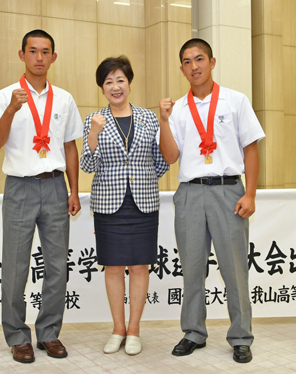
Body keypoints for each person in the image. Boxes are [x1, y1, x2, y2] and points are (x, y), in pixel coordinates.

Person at [158, 38, 265, 364]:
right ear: (181, 69)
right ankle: (193, 332)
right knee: (191, 269)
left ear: (212, 62)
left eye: (199, 59)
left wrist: (250, 193)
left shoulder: (235, 101)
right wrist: (163, 120)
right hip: (190, 192)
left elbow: (251, 149)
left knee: (234, 269)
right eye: (187, 62)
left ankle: (241, 337)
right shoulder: (177, 109)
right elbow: (171, 155)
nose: (194, 66)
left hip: (228, 191)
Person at [0, 29, 83, 364]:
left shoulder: (65, 99)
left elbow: (70, 147)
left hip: (56, 187)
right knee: (14, 266)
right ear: (21, 55)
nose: (39, 58)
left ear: (54, 57)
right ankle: (17, 336)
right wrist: (11, 110)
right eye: (33, 51)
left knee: (57, 266)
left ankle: (50, 333)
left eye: (45, 52)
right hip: (20, 187)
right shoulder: (3, 97)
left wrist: (74, 190)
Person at [80, 55, 169, 356]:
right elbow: (88, 165)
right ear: (102, 87)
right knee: (114, 267)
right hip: (108, 204)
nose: (115, 87)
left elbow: (161, 163)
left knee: (140, 266)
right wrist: (93, 133)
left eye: (120, 80)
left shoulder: (149, 117)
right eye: (109, 82)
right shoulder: (93, 120)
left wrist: (139, 179)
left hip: (143, 202)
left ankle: (134, 330)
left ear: (129, 83)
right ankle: (117, 329)